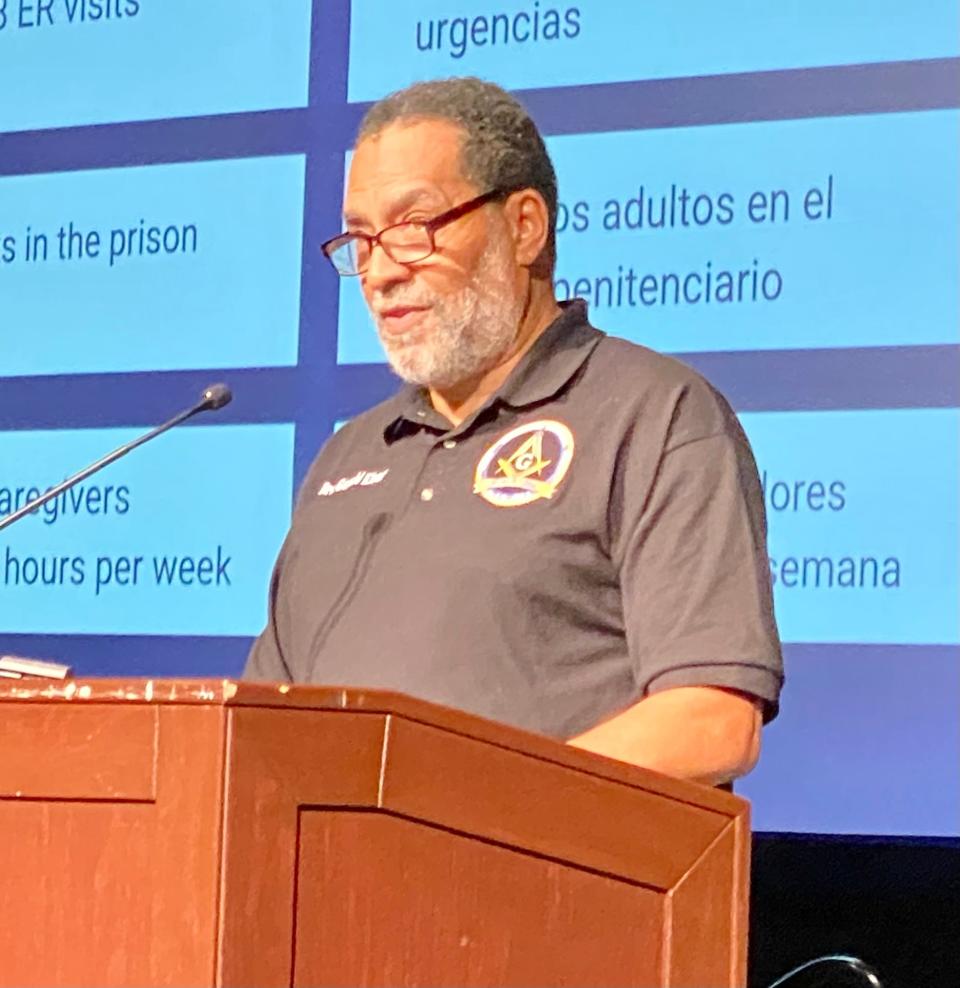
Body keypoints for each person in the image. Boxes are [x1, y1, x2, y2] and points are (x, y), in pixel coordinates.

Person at [245, 77, 783, 786]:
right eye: (361, 238)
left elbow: (710, 722)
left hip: (543, 888)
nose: (378, 272)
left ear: (525, 225)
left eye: (412, 228)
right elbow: (259, 731)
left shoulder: (653, 416)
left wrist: (463, 804)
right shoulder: (346, 458)